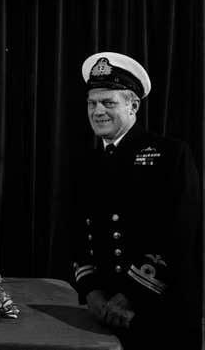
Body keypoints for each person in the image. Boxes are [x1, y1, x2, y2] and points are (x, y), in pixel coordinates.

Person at [72, 52, 201, 349]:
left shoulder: (170, 154)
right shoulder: (87, 162)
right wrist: (91, 292)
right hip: (103, 311)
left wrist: (129, 295)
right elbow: (76, 233)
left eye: (109, 102)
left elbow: (181, 234)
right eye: (92, 103)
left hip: (157, 309)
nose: (98, 111)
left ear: (133, 106)